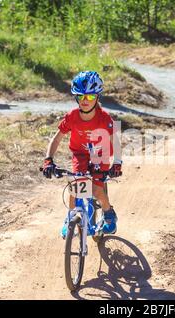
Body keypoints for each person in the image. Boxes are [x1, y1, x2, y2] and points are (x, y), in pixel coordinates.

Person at [42, 71, 122, 238]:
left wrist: (117, 163)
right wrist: (48, 160)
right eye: (81, 97)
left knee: (95, 191)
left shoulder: (104, 118)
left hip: (100, 154)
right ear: (76, 97)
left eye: (91, 97)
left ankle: (109, 215)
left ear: (97, 98)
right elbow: (56, 139)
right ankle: (70, 218)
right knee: (75, 186)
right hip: (80, 154)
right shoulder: (72, 116)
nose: (85, 101)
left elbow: (115, 141)